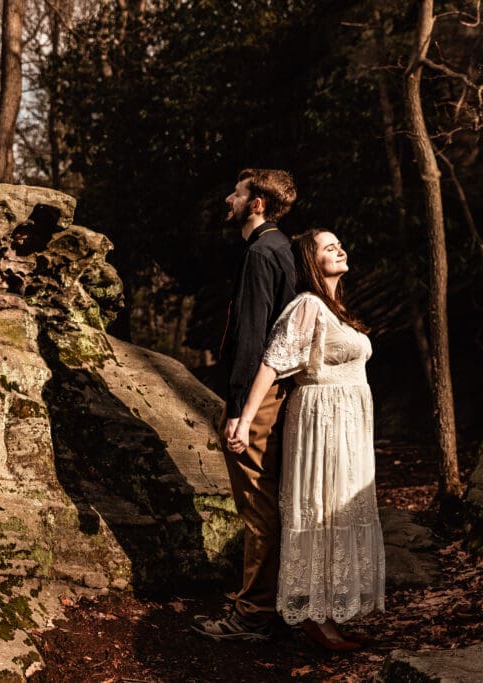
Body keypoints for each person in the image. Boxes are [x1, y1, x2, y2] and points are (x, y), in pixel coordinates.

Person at [228, 229, 385, 651]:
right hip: (321, 422)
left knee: (342, 508)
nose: (340, 248)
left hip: (348, 424)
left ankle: (331, 611)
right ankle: (315, 617)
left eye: (340, 243)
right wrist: (243, 420)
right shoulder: (307, 304)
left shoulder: (336, 308)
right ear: (311, 262)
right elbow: (272, 362)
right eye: (328, 247)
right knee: (322, 508)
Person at [192, 168, 297, 642]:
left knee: (258, 508)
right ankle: (260, 604)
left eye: (236, 193)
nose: (227, 200)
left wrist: (239, 409)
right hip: (269, 394)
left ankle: (254, 615)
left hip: (259, 396)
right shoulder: (278, 247)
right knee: (266, 504)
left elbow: (254, 337)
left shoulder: (262, 252)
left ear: (257, 203)